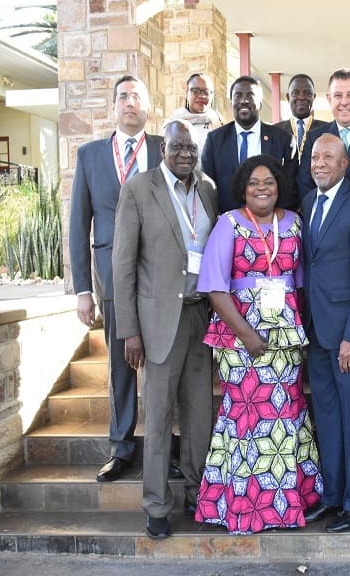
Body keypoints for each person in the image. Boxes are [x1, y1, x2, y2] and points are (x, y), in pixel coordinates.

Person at [194, 154, 323, 533]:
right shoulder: (228, 224)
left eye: (268, 181)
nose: (262, 188)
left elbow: (298, 284)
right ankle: (247, 506)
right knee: (247, 419)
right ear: (242, 189)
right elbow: (215, 288)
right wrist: (246, 334)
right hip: (239, 336)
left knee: (286, 415)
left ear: (279, 184)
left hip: (285, 337)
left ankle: (288, 502)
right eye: (253, 183)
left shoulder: (294, 223)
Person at [112, 119, 217, 540]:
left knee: (200, 416)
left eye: (191, 148)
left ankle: (197, 492)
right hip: (157, 323)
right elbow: (123, 266)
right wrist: (129, 331)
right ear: (162, 149)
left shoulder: (207, 189)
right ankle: (156, 504)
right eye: (177, 147)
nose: (185, 154)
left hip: (200, 317)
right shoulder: (139, 189)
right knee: (157, 419)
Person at [68, 75, 164, 483]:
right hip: (111, 276)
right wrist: (83, 289)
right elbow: (78, 225)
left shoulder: (165, 148)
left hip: (159, 275)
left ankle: (165, 443)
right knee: (120, 362)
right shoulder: (90, 155)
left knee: (162, 363)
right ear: (113, 107)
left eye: (136, 97)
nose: (130, 103)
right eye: (123, 97)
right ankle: (121, 446)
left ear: (147, 106)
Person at [300, 134, 350, 533]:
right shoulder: (308, 203)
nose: (319, 163)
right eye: (315, 157)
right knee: (327, 420)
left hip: (348, 338)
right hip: (316, 332)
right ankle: (332, 497)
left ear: (345, 164)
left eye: (328, 157)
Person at [202, 76, 294, 212]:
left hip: (270, 222)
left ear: (260, 103)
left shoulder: (283, 140)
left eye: (250, 95)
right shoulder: (214, 140)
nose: (244, 101)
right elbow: (207, 187)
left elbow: (289, 187)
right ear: (231, 102)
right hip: (229, 221)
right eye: (238, 96)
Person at [296, 69, 350, 201]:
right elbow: (305, 185)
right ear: (329, 99)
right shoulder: (314, 138)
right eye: (338, 95)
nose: (344, 102)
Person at [169, 72, 224, 160]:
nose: (202, 96)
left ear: (212, 96)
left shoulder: (219, 124)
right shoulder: (173, 124)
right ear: (186, 94)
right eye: (195, 91)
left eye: (206, 92)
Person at [274, 73, 328, 159]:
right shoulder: (275, 131)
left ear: (314, 97)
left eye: (307, 93)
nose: (302, 97)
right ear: (288, 97)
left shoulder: (327, 130)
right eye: (295, 93)